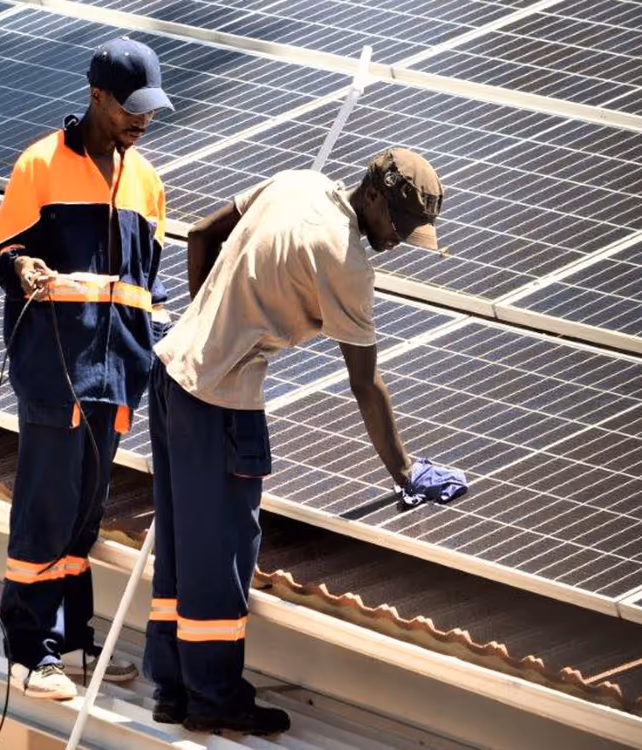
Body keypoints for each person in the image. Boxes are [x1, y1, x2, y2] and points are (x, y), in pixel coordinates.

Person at [144, 148, 469, 734]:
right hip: (219, 402)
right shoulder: (346, 263)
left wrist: (203, 324)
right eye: (396, 223)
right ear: (372, 195)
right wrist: (405, 471)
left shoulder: (298, 182)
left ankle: (173, 689)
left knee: (178, 547)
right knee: (222, 556)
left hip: (170, 376)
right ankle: (213, 698)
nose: (396, 242)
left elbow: (199, 234)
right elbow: (365, 383)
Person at [0, 37, 173, 701]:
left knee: (82, 519)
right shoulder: (40, 164)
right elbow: (3, 250)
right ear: (96, 95)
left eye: (149, 109)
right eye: (129, 107)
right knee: (45, 511)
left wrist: (161, 344)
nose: (141, 120)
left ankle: (68, 644)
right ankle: (27, 652)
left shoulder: (147, 181)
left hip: (119, 372)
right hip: (55, 368)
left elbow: (147, 286)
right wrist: (21, 268)